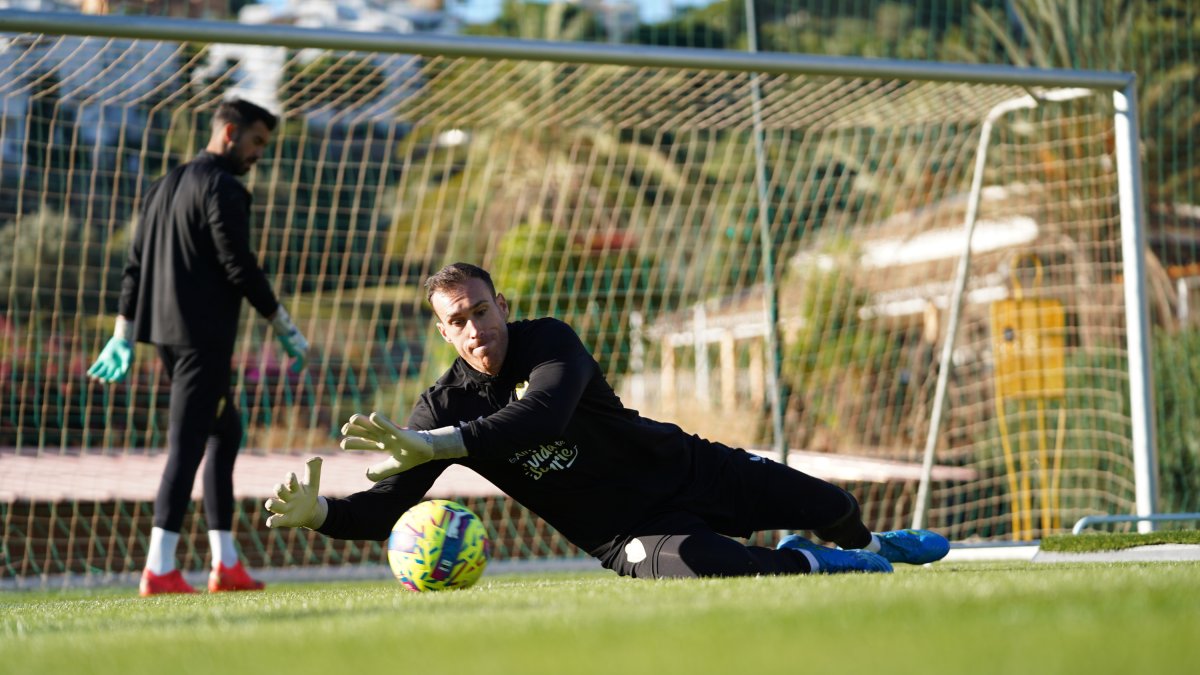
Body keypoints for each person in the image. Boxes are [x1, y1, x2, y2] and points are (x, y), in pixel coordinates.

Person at [263, 262, 948, 578]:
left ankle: (871, 544)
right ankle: (813, 562)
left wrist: (437, 445)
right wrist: (319, 512)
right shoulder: (443, 407)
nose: (475, 329)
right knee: (724, 564)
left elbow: (542, 415)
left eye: (481, 310)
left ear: (502, 303)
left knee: (833, 502)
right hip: (629, 535)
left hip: (689, 468)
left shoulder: (551, 340)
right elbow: (385, 509)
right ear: (443, 334)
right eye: (458, 322)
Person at [87, 98, 309, 596]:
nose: (258, 155)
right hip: (202, 339)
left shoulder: (162, 186)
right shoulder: (225, 188)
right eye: (256, 142)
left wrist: (124, 330)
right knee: (188, 443)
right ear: (229, 133)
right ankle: (159, 567)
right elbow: (239, 264)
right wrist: (283, 324)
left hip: (165, 335)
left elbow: (135, 265)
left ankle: (225, 563)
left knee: (224, 432)